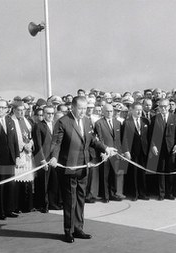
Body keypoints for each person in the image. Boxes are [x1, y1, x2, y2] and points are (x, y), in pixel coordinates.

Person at [49, 96, 116, 243]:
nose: (83, 111)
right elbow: (56, 143)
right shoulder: (63, 122)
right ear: (72, 107)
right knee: (70, 200)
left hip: (84, 166)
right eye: (80, 108)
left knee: (80, 198)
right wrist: (53, 157)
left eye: (85, 108)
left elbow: (93, 140)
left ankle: (78, 229)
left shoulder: (86, 121)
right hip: (69, 167)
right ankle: (69, 231)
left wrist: (105, 148)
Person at [148, 98, 176, 200]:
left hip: (171, 148)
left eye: (165, 106)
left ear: (169, 107)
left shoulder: (174, 117)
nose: (163, 108)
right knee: (161, 171)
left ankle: (169, 193)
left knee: (170, 171)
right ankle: (161, 193)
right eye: (161, 107)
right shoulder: (154, 119)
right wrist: (153, 146)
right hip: (159, 149)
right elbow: (150, 135)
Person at [32, 105, 62, 212]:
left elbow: (58, 142)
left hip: (53, 159)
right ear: (44, 114)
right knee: (43, 183)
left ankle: (53, 203)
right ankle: (43, 205)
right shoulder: (38, 126)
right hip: (43, 159)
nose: (50, 115)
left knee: (54, 182)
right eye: (48, 113)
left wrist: (55, 157)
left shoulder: (55, 125)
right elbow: (38, 144)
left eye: (52, 113)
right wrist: (42, 160)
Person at [95, 104, 124, 202]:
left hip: (115, 153)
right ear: (103, 112)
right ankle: (105, 196)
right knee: (105, 175)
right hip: (106, 153)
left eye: (111, 111)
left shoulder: (117, 123)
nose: (109, 113)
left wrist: (120, 152)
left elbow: (119, 139)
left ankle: (113, 194)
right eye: (107, 111)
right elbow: (100, 138)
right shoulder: (99, 123)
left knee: (114, 174)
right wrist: (103, 152)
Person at [122, 102, 150, 201]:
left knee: (142, 172)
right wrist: (126, 151)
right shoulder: (127, 122)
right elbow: (124, 138)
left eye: (140, 110)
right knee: (133, 173)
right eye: (137, 110)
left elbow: (148, 137)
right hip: (132, 151)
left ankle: (142, 193)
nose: (139, 112)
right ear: (132, 110)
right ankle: (134, 194)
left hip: (143, 151)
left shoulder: (145, 121)